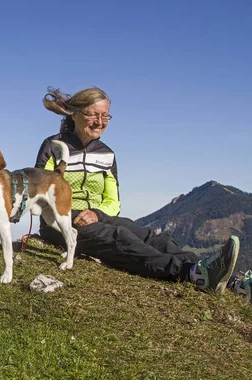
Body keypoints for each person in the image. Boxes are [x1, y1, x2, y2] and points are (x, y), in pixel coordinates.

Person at [35, 86, 251, 302]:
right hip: (61, 220)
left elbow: (112, 201)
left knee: (152, 237)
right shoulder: (53, 146)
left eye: (105, 116)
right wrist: (76, 214)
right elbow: (43, 192)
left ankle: (231, 283)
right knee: (119, 237)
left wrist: (97, 214)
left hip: (99, 216)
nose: (99, 122)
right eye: (93, 114)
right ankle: (191, 274)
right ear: (75, 113)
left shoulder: (106, 154)